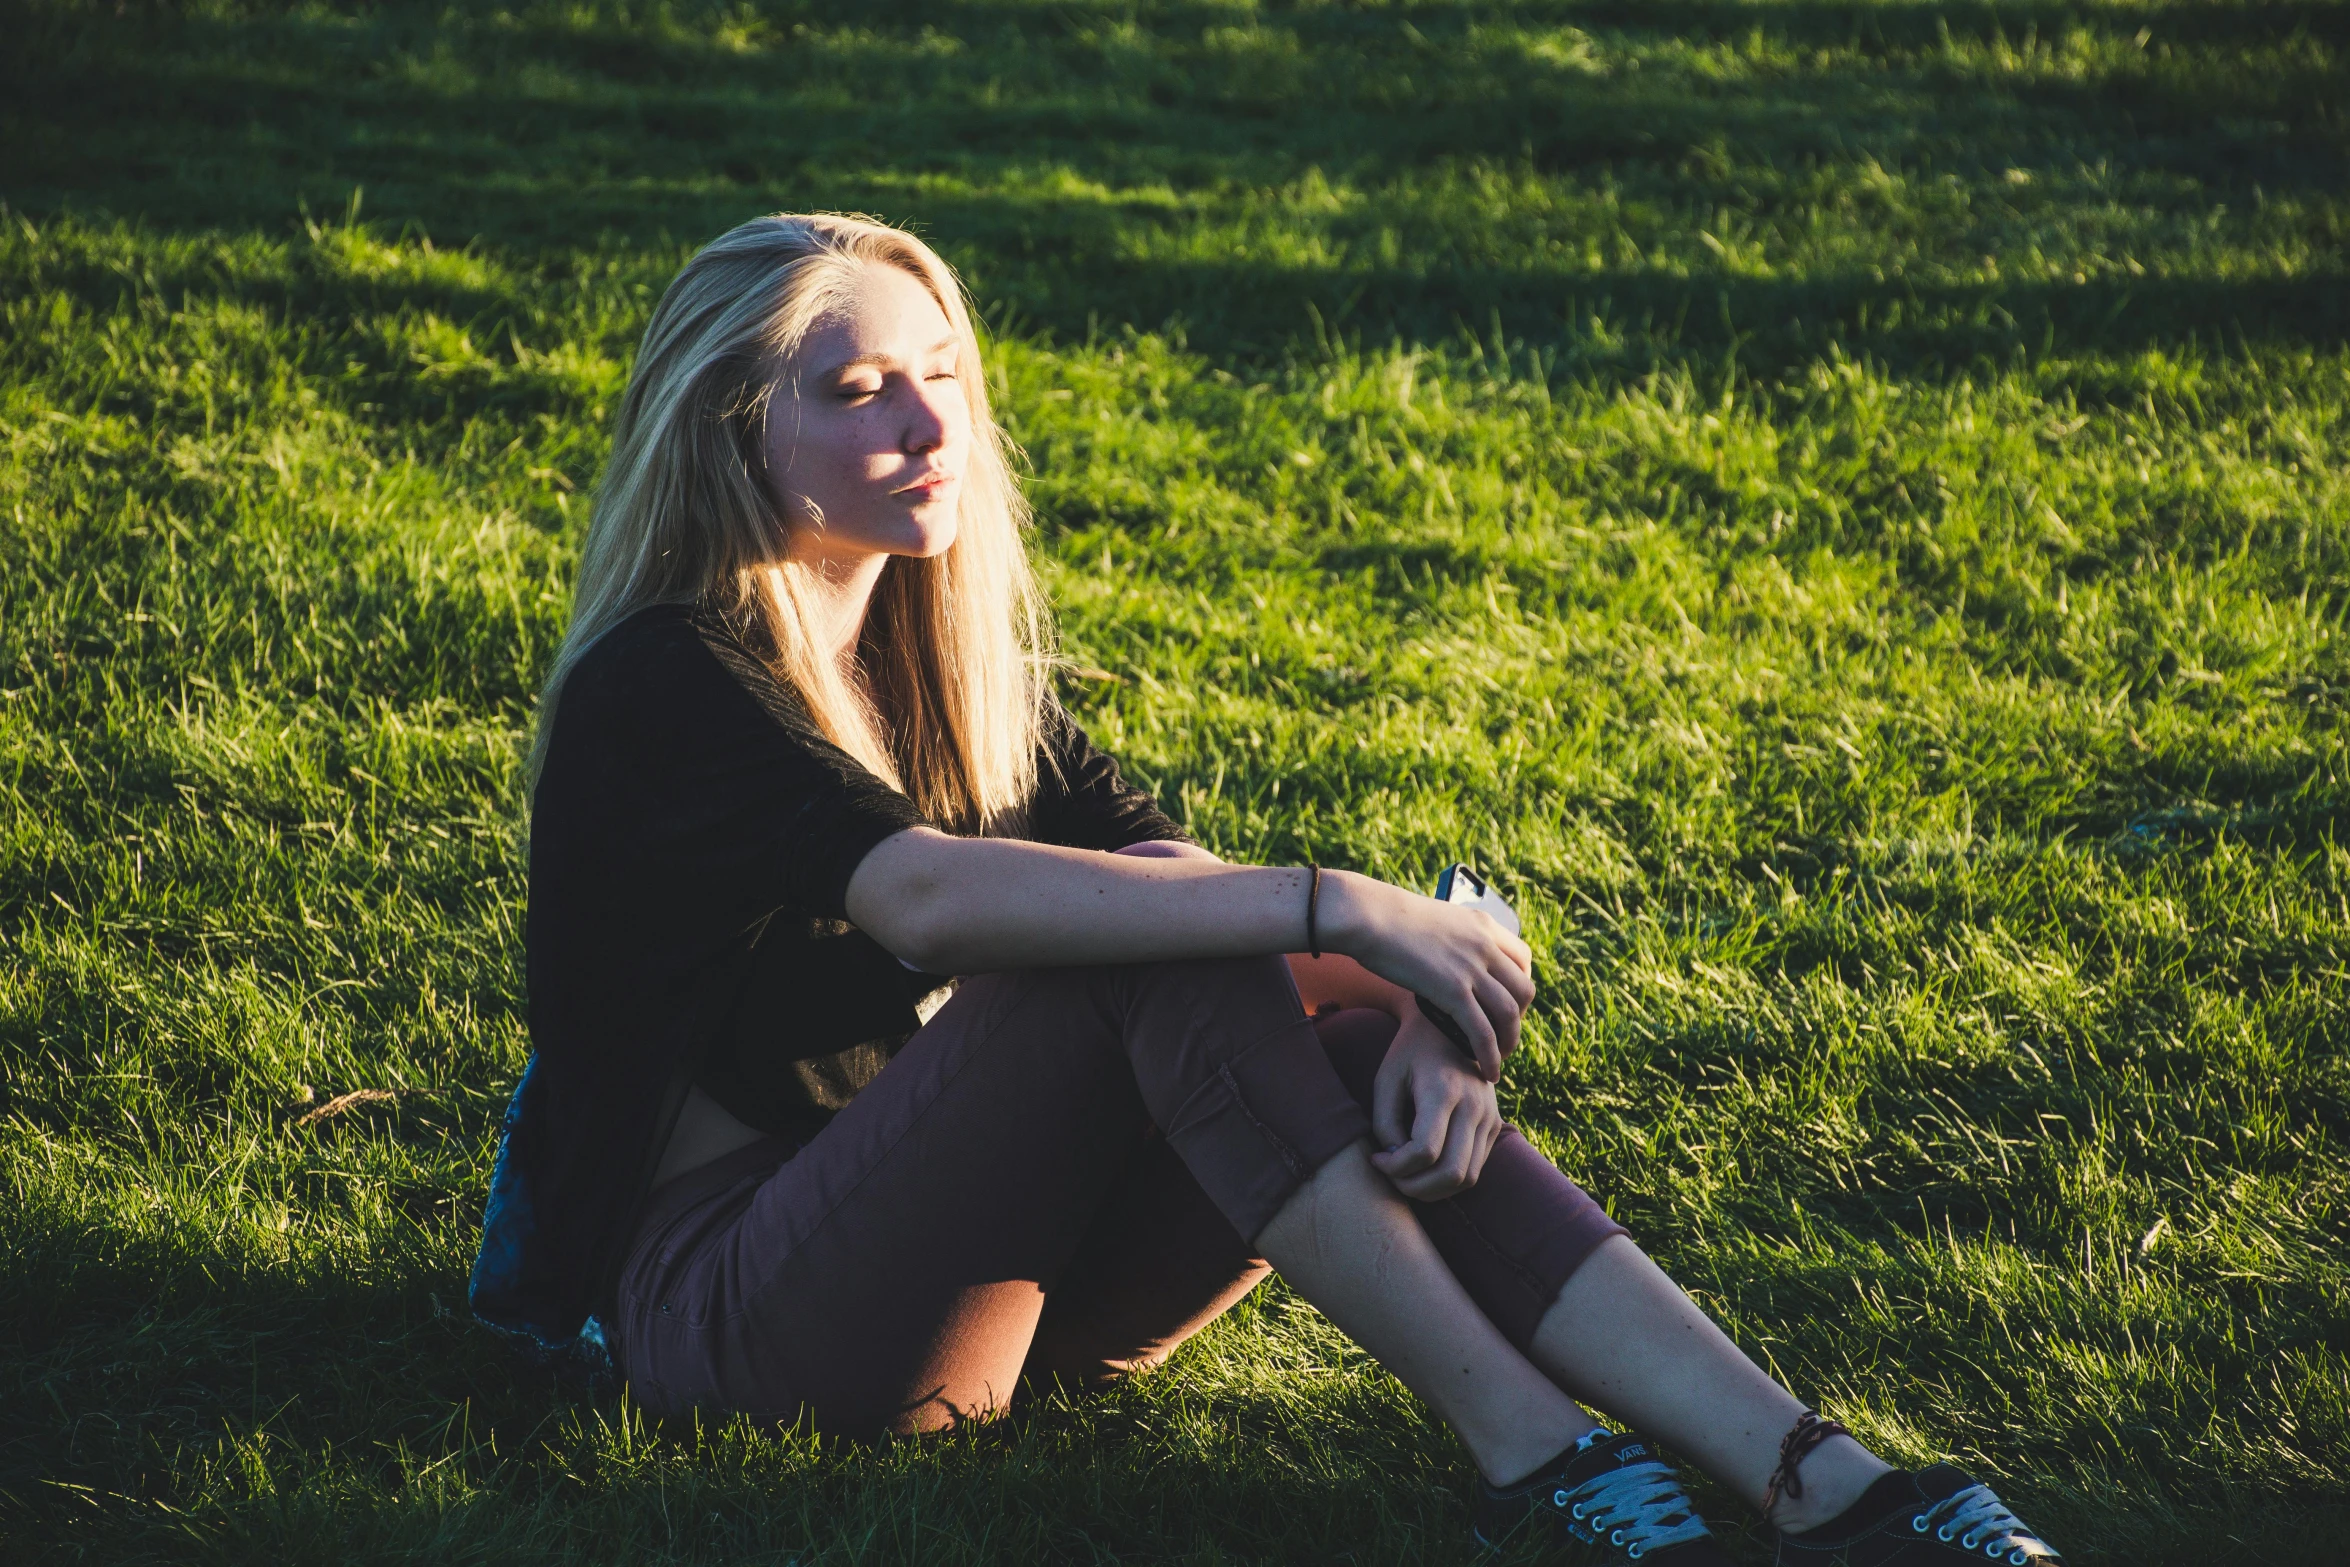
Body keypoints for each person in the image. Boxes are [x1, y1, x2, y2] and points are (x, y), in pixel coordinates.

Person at [470, 212, 2062, 1567]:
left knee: (1259, 977)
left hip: (978, 1285)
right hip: (727, 1314)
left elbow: (1180, 880)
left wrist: (1437, 1009)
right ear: (737, 423)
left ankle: (1814, 1473)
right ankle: (1536, 1457)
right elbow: (932, 903)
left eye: (943, 376)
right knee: (1162, 940)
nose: (932, 427)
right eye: (860, 391)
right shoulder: (667, 679)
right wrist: (1341, 905)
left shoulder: (943, 670)